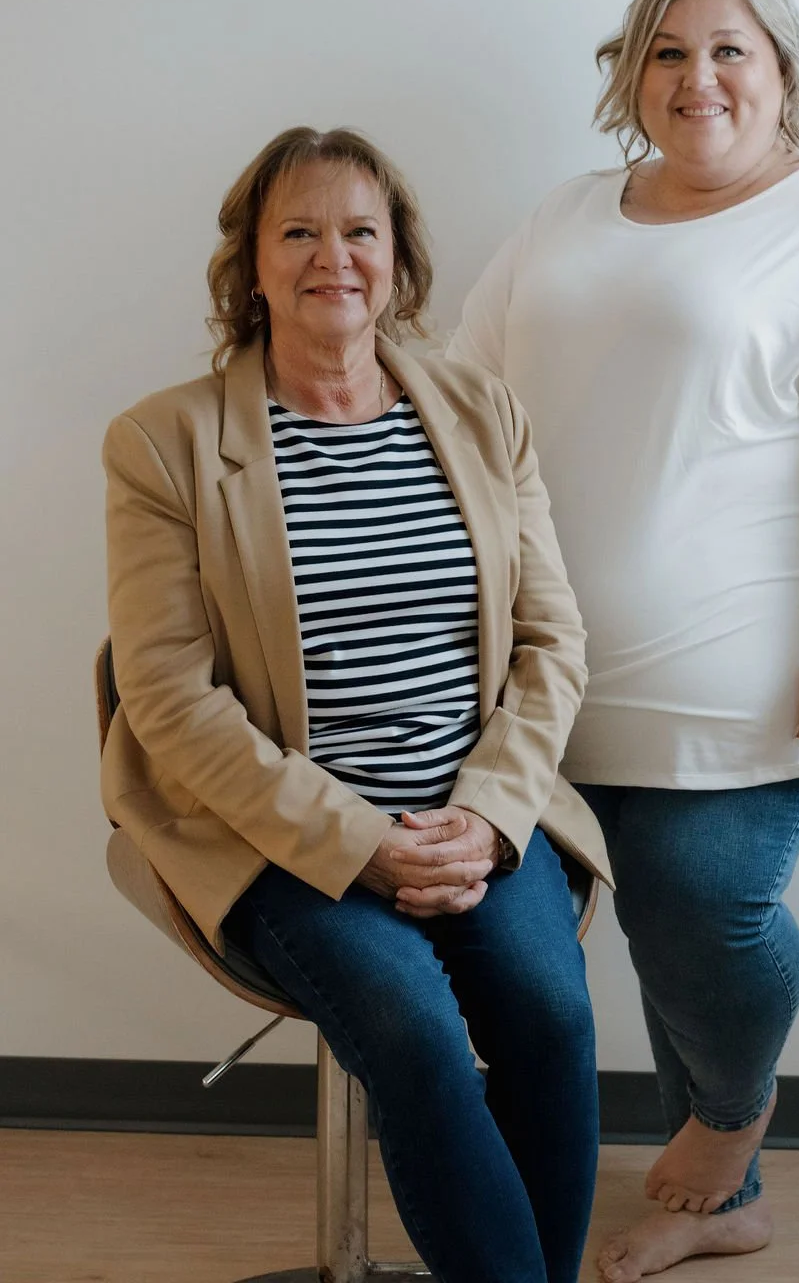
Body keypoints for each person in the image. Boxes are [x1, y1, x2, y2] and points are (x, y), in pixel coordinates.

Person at [447, 0, 799, 1279]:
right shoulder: (568, 215)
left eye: (730, 48)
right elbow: (461, 395)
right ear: (630, 76)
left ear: (785, 70)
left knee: (696, 896)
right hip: (556, 674)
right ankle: (724, 1200)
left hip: (754, 672)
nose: (699, 78)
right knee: (636, 922)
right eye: (668, 53)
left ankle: (729, 1129)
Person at [100, 125, 613, 1283]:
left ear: (398, 258)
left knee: (550, 1015)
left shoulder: (483, 415)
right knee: (416, 1034)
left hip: (474, 814)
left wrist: (485, 814)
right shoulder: (164, 443)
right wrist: (363, 843)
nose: (333, 256)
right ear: (251, 264)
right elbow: (168, 696)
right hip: (284, 835)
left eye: (359, 232)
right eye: (299, 232)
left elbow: (553, 642)